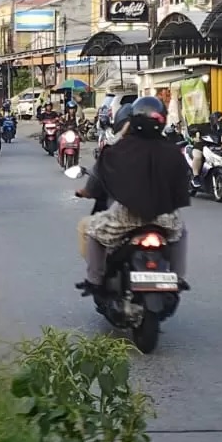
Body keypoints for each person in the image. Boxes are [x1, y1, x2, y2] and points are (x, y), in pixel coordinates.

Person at [74, 96, 190, 304]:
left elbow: (100, 176)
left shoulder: (119, 149)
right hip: (164, 218)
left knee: (93, 232)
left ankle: (94, 280)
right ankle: (178, 278)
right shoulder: (173, 151)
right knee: (181, 233)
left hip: (127, 217)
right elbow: (183, 185)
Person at [190, 110, 222, 180]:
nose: (221, 121)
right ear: (213, 119)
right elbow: (191, 128)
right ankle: (196, 177)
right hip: (201, 146)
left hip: (216, 148)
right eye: (219, 119)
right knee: (198, 156)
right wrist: (194, 135)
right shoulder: (205, 126)